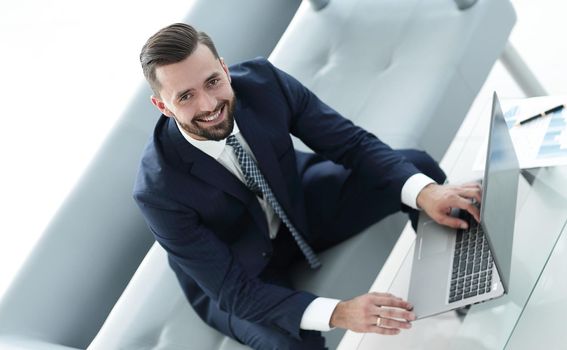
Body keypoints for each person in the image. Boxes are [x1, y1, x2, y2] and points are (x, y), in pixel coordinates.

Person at [134, 23, 482, 350]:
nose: (209, 106)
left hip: (300, 205)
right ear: (162, 106)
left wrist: (425, 193)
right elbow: (234, 292)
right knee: (296, 344)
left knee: (418, 173)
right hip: (238, 270)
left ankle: (470, 290)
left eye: (212, 82)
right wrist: (338, 311)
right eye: (185, 97)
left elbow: (352, 144)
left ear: (224, 69)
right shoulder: (157, 190)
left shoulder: (263, 83)